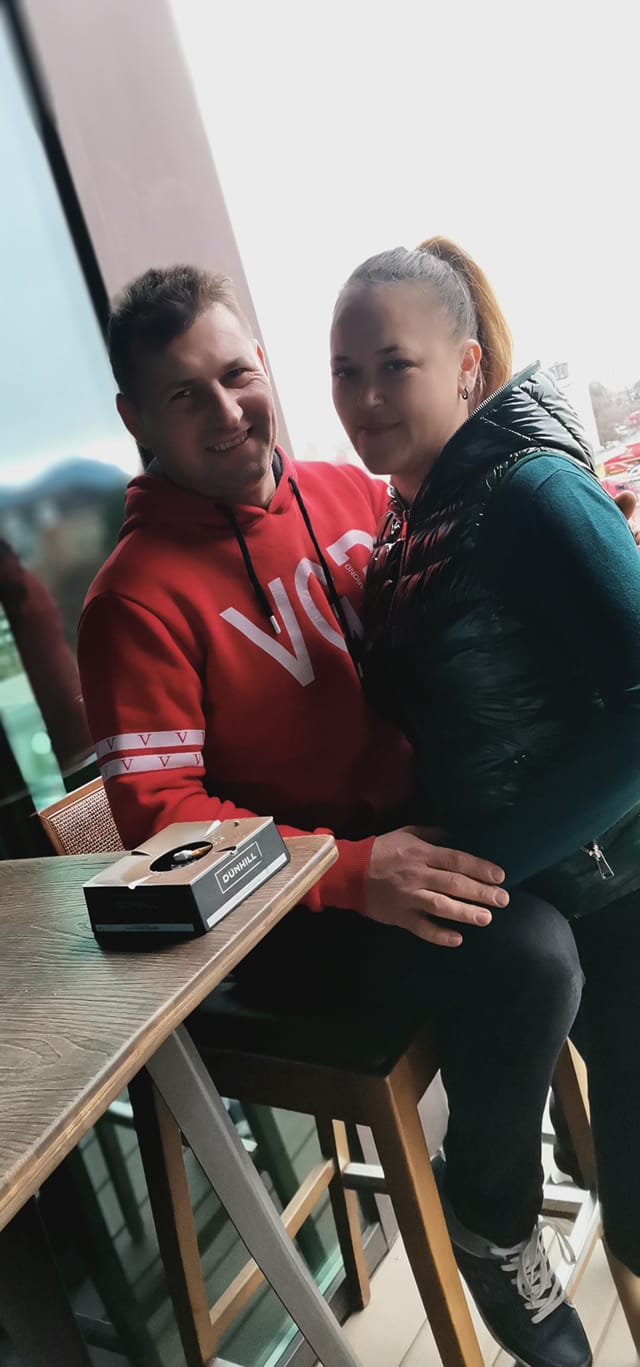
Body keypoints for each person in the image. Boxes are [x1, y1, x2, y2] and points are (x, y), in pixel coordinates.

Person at [79, 265, 588, 1367]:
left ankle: (594, 1159)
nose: (226, 411)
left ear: (266, 367)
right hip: (287, 920)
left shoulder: (353, 495)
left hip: (412, 836)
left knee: (593, 869)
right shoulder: (130, 599)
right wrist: (351, 872)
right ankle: (492, 1213)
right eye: (184, 395)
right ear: (136, 419)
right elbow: (164, 823)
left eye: (237, 374)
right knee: (532, 952)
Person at [331, 237, 640, 1366]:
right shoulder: (408, 524)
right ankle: (503, 1225)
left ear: (466, 367)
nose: (365, 397)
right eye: (345, 371)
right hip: (553, 898)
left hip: (619, 886)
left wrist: (493, 854)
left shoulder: (530, 491)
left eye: (393, 366)